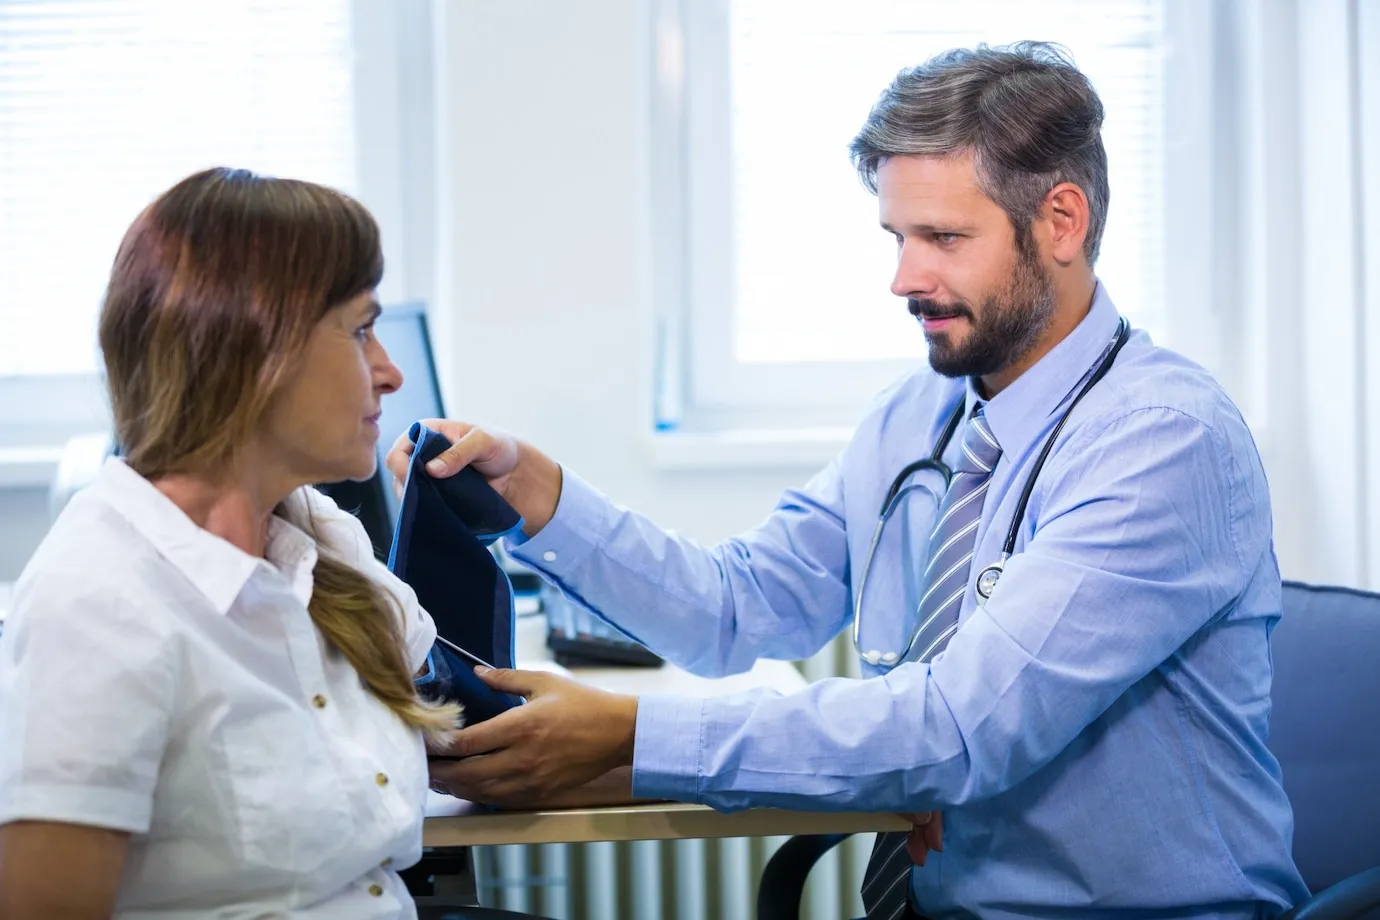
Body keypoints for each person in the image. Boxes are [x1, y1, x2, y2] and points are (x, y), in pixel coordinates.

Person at [397, 43, 1309, 920]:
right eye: (897, 236)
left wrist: (636, 739)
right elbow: (737, 609)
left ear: (1061, 221)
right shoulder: (920, 413)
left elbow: (956, 729)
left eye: (944, 237)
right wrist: (544, 500)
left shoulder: (1162, 443)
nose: (905, 277)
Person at [0, 168, 502, 919]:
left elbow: (481, 726)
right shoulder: (99, 601)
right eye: (361, 331)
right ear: (253, 349)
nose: (390, 372)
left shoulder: (314, 537)